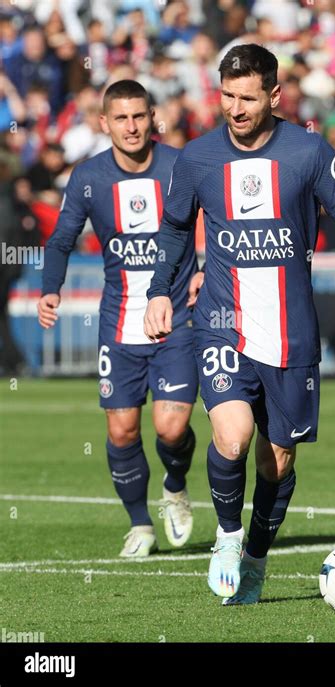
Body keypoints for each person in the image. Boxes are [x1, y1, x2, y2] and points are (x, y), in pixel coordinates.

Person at [144, 44, 335, 604]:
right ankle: (226, 536)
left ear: (274, 96)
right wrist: (158, 292)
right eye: (227, 96)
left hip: (291, 331)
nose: (235, 108)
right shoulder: (197, 159)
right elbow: (174, 231)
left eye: (247, 97)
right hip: (221, 321)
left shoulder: (309, 151)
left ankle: (256, 559)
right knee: (233, 435)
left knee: (278, 461)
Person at [38, 80, 202, 556]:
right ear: (104, 123)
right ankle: (140, 524)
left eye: (139, 116)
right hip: (119, 323)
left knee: (171, 429)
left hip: (176, 320)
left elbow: (219, 218)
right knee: (121, 430)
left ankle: (175, 486)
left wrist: (206, 272)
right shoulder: (89, 177)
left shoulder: (181, 166)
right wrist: (51, 289)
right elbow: (61, 238)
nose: (132, 127)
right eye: (121, 118)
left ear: (153, 118)